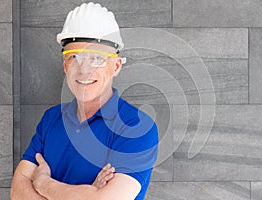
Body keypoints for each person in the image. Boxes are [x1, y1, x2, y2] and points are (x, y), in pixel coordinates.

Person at [11, 2, 158, 200]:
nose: (84, 69)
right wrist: (88, 192)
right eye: (74, 57)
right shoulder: (51, 119)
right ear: (65, 65)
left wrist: (43, 183)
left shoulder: (138, 127)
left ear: (115, 66)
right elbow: (17, 191)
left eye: (97, 58)